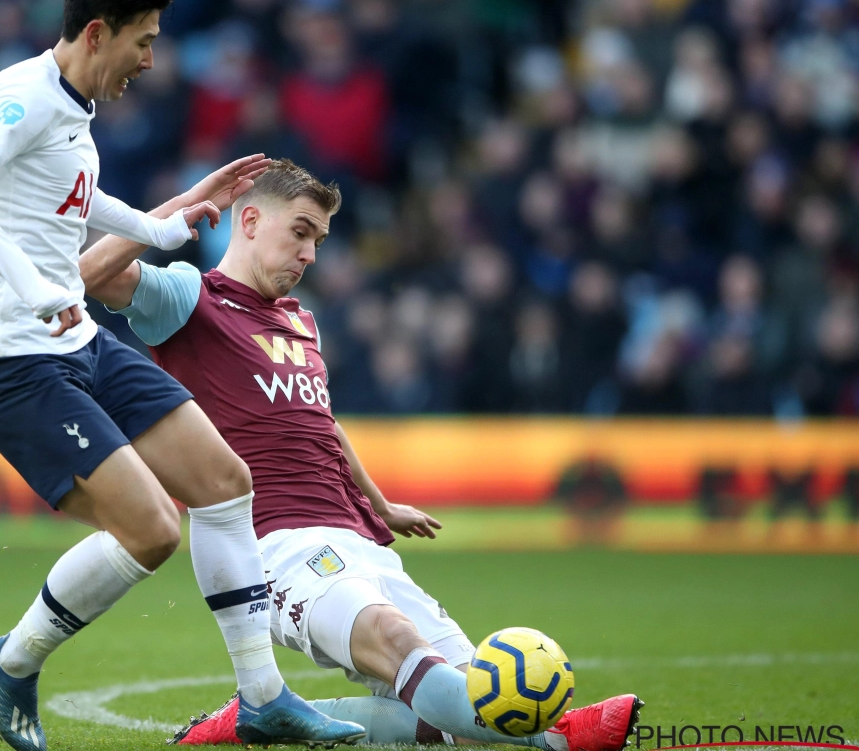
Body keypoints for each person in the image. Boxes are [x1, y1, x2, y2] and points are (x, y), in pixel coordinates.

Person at [0, 0, 364, 750]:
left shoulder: (71, 110)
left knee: (226, 484)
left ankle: (263, 698)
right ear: (99, 33)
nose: (152, 60)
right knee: (155, 530)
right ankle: (12, 661)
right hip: (13, 366)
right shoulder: (20, 96)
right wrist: (32, 286)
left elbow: (76, 203)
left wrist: (173, 223)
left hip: (79, 346)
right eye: (145, 40)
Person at [79, 160, 643, 748]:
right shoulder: (190, 298)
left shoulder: (301, 322)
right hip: (274, 547)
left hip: (358, 540)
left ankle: (252, 719)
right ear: (248, 220)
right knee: (399, 643)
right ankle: (559, 738)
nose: (311, 254)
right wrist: (179, 207)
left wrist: (379, 503)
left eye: (319, 241)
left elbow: (319, 423)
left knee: (466, 707)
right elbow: (86, 277)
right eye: (299, 232)